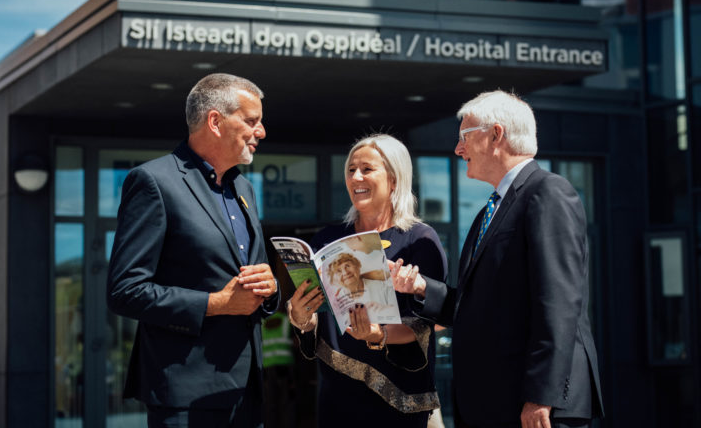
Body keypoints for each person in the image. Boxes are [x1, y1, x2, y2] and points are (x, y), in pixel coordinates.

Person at [391, 91, 604, 428]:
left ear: (496, 135)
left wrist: (540, 397)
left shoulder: (548, 192)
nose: (457, 150)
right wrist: (419, 287)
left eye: (464, 137)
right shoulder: (488, 213)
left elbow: (559, 303)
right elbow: (475, 305)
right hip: (495, 402)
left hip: (534, 406)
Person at [107, 73, 279, 428]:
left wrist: (270, 289)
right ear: (215, 121)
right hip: (186, 397)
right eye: (251, 121)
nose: (260, 131)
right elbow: (125, 291)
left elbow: (249, 280)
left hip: (246, 392)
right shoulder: (153, 182)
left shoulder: (244, 188)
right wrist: (215, 304)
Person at [285, 133, 448, 428]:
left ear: (394, 179)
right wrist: (300, 317)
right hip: (338, 394)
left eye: (367, 169)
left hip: (398, 398)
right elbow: (317, 320)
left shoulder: (419, 240)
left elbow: (425, 325)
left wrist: (377, 334)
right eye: (350, 170)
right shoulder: (326, 239)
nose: (356, 177)